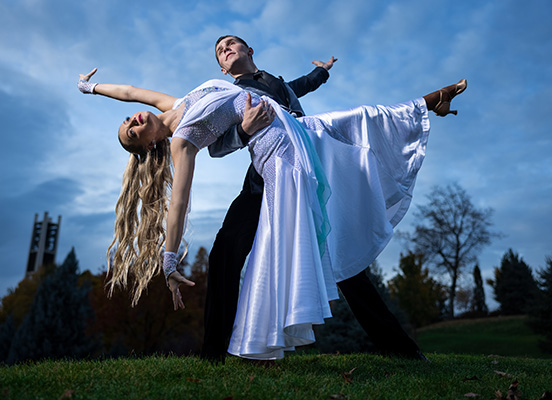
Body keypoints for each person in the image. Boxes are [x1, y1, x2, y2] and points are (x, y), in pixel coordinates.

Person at [77, 64, 467, 360]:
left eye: (129, 120)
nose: (134, 121)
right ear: (146, 147)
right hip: (276, 155)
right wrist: (168, 256)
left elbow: (128, 91)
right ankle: (256, 340)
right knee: (285, 242)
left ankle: (429, 103)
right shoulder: (181, 143)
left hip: (296, 130)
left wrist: (90, 87)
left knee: (358, 121)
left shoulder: (172, 104)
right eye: (131, 133)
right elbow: (179, 201)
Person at [203, 35, 336, 362]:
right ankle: (214, 351)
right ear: (222, 69)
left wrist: (324, 71)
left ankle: (397, 344)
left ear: (249, 50)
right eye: (220, 51)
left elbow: (302, 85)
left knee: (333, 246)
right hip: (262, 181)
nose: (226, 49)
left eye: (231, 44)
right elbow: (214, 147)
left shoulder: (277, 83)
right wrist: (245, 130)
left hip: (304, 171)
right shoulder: (229, 92)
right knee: (225, 252)